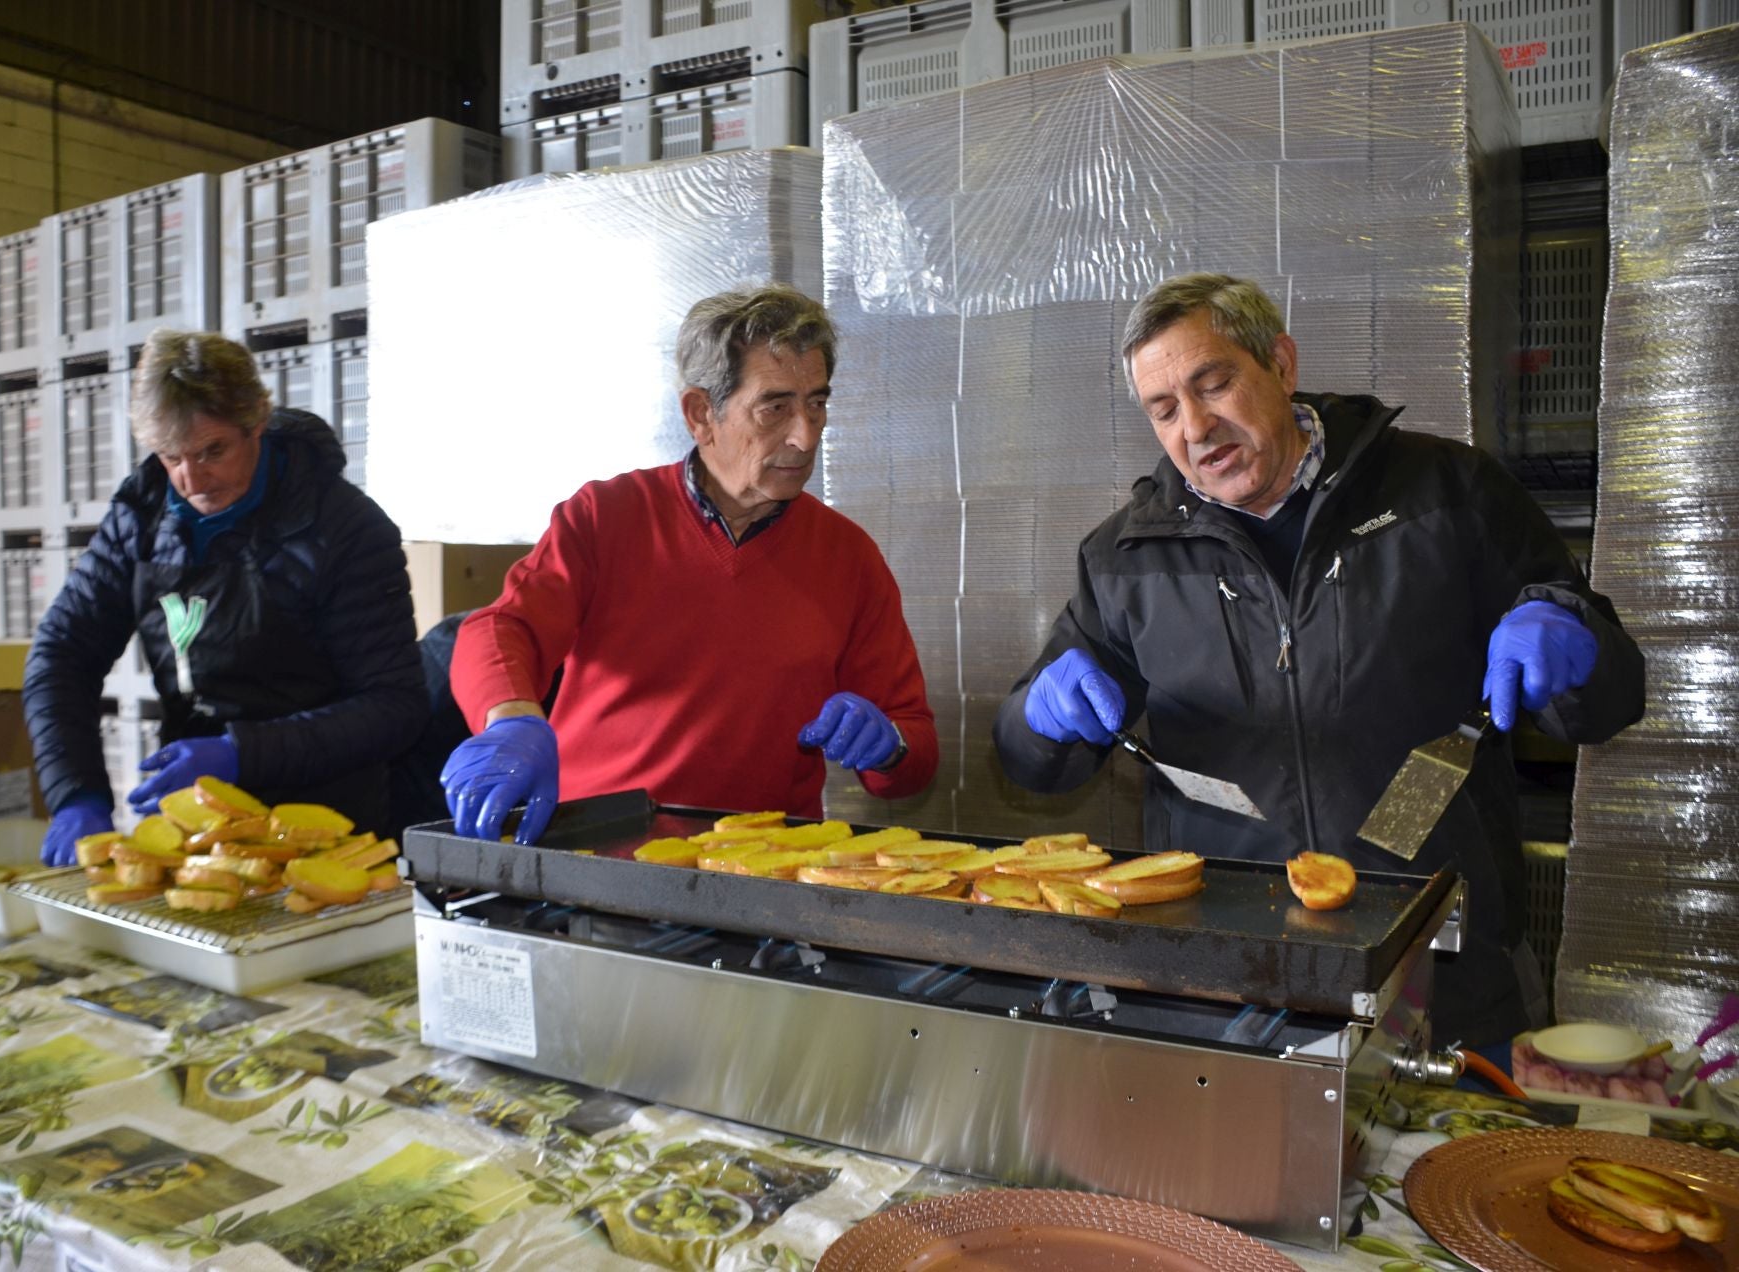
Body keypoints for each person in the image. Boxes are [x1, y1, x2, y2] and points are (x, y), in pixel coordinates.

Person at [992, 273, 1644, 1047]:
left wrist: (1572, 633)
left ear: (1282, 363)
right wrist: (1038, 717)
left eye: (1215, 383)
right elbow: (1033, 764)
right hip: (1227, 982)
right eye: (1164, 410)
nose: (1196, 427)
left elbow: (1608, 701)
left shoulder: (1447, 494)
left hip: (1446, 968)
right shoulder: (1125, 557)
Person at [441, 283, 937, 843]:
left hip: (763, 872)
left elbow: (913, 756)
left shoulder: (849, 558)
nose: (804, 436)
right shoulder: (606, 518)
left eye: (817, 404)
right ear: (702, 414)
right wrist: (511, 721)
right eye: (775, 408)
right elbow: (502, 628)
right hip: (598, 852)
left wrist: (890, 748)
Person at [24, 329, 426, 865]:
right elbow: (61, 655)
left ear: (257, 420)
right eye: (172, 457)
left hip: (326, 827)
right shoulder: (140, 519)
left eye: (213, 450)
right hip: (195, 821)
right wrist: (76, 794)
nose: (193, 480)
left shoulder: (346, 529)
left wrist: (243, 753)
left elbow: (393, 706)